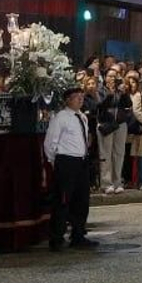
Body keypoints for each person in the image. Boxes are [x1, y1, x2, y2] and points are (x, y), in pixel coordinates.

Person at [44, 87, 96, 251]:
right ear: (67, 100)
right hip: (66, 161)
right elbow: (50, 142)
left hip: (81, 161)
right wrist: (56, 161)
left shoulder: (82, 117)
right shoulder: (61, 117)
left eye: (82, 97)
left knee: (82, 200)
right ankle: (56, 238)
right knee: (63, 200)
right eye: (76, 97)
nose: (80, 100)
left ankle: (78, 235)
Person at [95, 73, 130, 195]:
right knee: (106, 154)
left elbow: (128, 104)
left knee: (119, 154)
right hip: (106, 124)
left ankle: (117, 182)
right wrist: (109, 95)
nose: (112, 78)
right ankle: (106, 183)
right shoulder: (100, 89)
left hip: (120, 124)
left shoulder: (120, 90)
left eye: (115, 76)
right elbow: (99, 105)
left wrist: (124, 93)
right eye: (110, 76)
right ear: (105, 78)